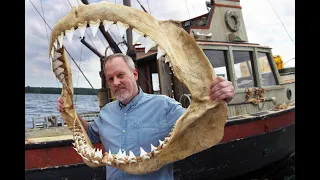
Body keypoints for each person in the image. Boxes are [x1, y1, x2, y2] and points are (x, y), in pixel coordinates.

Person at [57, 53, 235, 180]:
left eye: (120, 75)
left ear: (134, 74)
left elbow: (201, 126)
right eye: (110, 79)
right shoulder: (106, 112)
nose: (116, 83)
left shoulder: (165, 106)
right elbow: (91, 134)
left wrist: (220, 99)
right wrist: (71, 113)